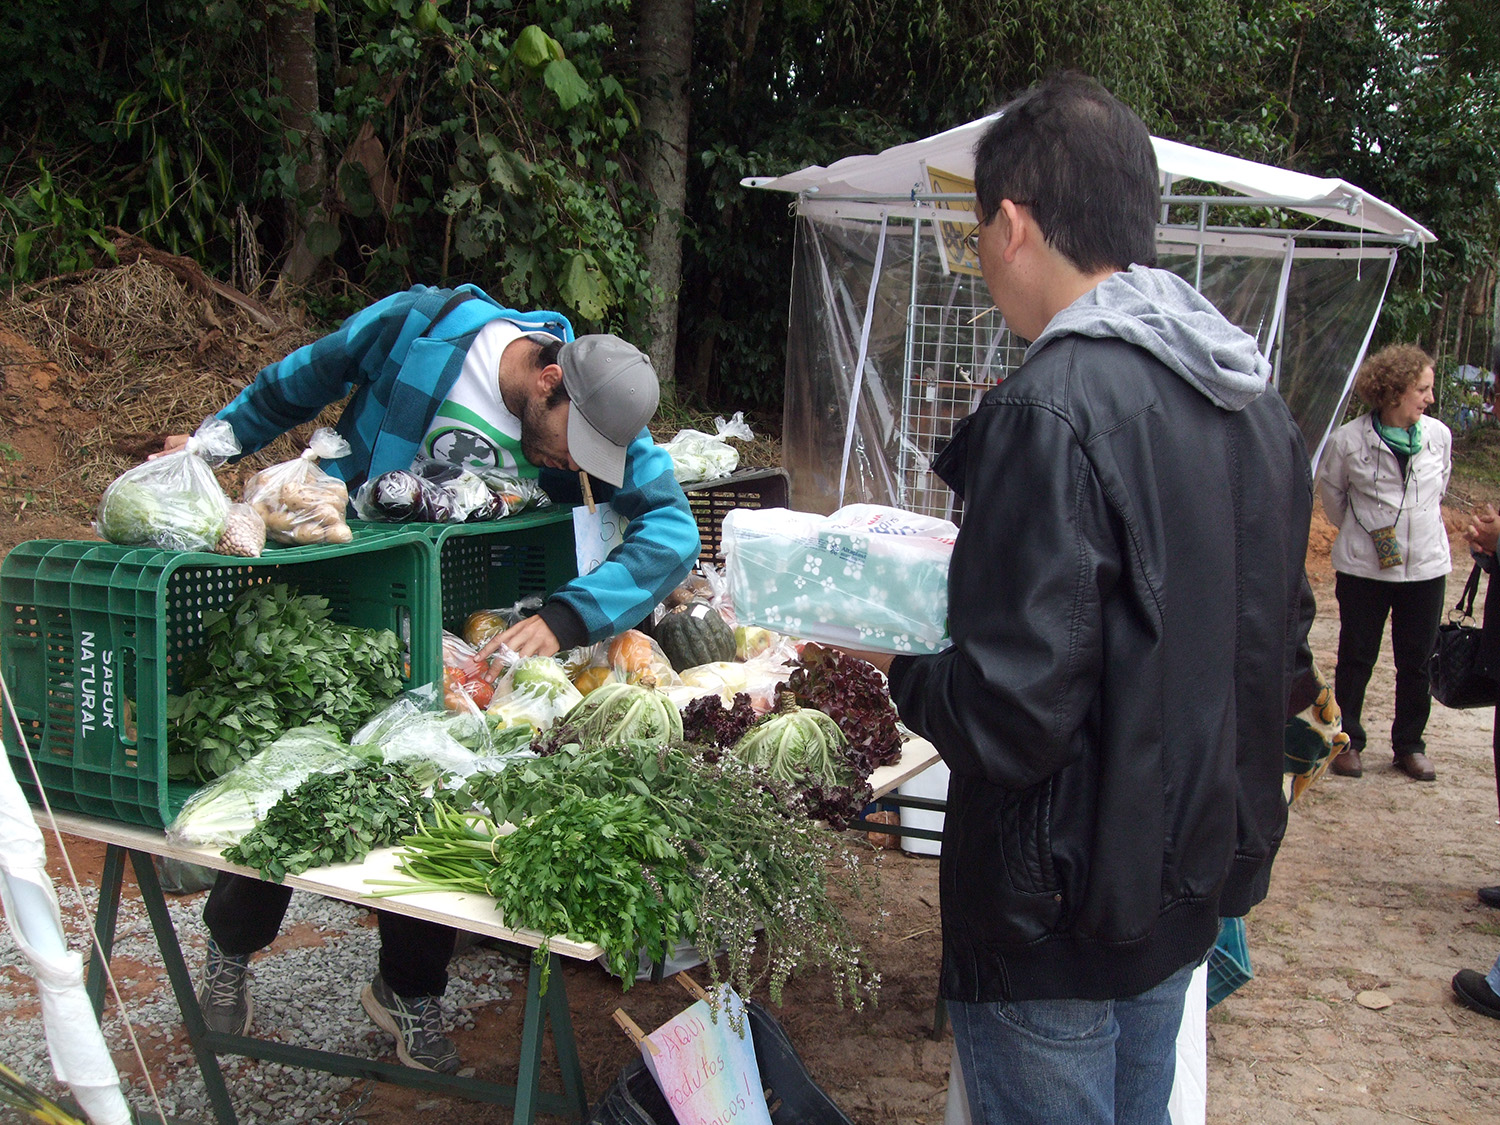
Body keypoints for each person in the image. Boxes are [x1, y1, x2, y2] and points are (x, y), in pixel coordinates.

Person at [843, 75, 1313, 1125]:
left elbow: (1011, 717)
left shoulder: (1050, 409)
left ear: (1013, 223)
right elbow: (1278, 653)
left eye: (979, 236)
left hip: (1054, 910)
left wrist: (891, 656)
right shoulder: (1251, 401)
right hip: (1179, 885)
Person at [172, 284, 701, 1072]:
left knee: (442, 783)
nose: (572, 463)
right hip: (353, 589)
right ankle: (231, 943)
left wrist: (568, 616)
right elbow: (305, 375)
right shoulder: (423, 325)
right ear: (549, 381)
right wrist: (203, 452)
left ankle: (408, 990)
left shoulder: (604, 403)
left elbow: (673, 530)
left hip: (463, 622)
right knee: (303, 768)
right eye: (569, 443)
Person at [1318, 344, 1451, 782]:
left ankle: (1410, 746)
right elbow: (1333, 498)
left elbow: (1439, 490)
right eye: (1423, 389)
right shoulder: (1348, 441)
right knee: (1356, 656)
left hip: (1426, 568)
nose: (1429, 398)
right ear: (1394, 392)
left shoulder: (1438, 436)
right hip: (1364, 571)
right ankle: (1348, 741)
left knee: (1417, 660)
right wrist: (1366, 532)